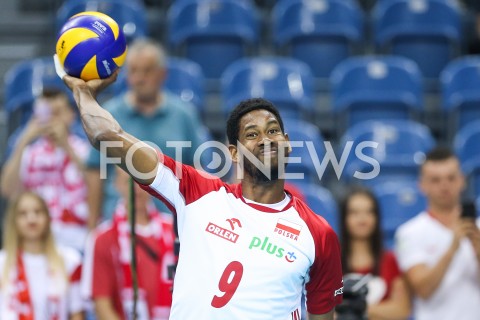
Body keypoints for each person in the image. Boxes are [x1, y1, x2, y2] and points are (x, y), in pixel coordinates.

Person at [55, 56, 344, 319]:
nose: (266, 139)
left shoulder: (318, 234)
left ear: (288, 143)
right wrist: (82, 92)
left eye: (273, 131)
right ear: (233, 153)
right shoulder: (197, 192)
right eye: (252, 134)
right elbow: (108, 137)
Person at [85, 38, 206, 225]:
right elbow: (95, 173)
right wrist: (92, 226)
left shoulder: (183, 115)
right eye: (133, 71)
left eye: (147, 71)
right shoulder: (108, 116)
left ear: (162, 74)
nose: (139, 79)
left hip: (173, 224)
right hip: (119, 226)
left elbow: (198, 171)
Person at [1, 88, 90, 252]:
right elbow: (7, 190)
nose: (51, 120)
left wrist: (66, 146)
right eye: (47, 114)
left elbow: (98, 188)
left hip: (77, 239)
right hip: (36, 238)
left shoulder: (84, 150)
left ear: (71, 115)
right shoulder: (29, 153)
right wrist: (24, 139)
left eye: (57, 113)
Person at [395, 147, 480, 320]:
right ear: (422, 185)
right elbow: (423, 290)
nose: (444, 185)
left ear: (462, 180)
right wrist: (452, 248)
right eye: (435, 180)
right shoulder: (409, 233)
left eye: (451, 178)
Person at [81, 168, 174, 320]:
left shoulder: (175, 230)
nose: (136, 190)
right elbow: (101, 305)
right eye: (128, 182)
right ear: (117, 184)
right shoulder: (101, 238)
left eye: (141, 182)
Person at [0, 191, 83, 320]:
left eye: (38, 212)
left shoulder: (70, 260)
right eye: (23, 214)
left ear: (48, 218)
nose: (31, 219)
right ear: (13, 221)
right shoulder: (2, 263)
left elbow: (77, 313)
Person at [339, 187, 410, 320]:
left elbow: (402, 309)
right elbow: (318, 311)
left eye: (369, 212)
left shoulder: (391, 260)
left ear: (377, 217)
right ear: (344, 218)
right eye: (354, 212)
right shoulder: (330, 262)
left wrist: (356, 308)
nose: (362, 218)